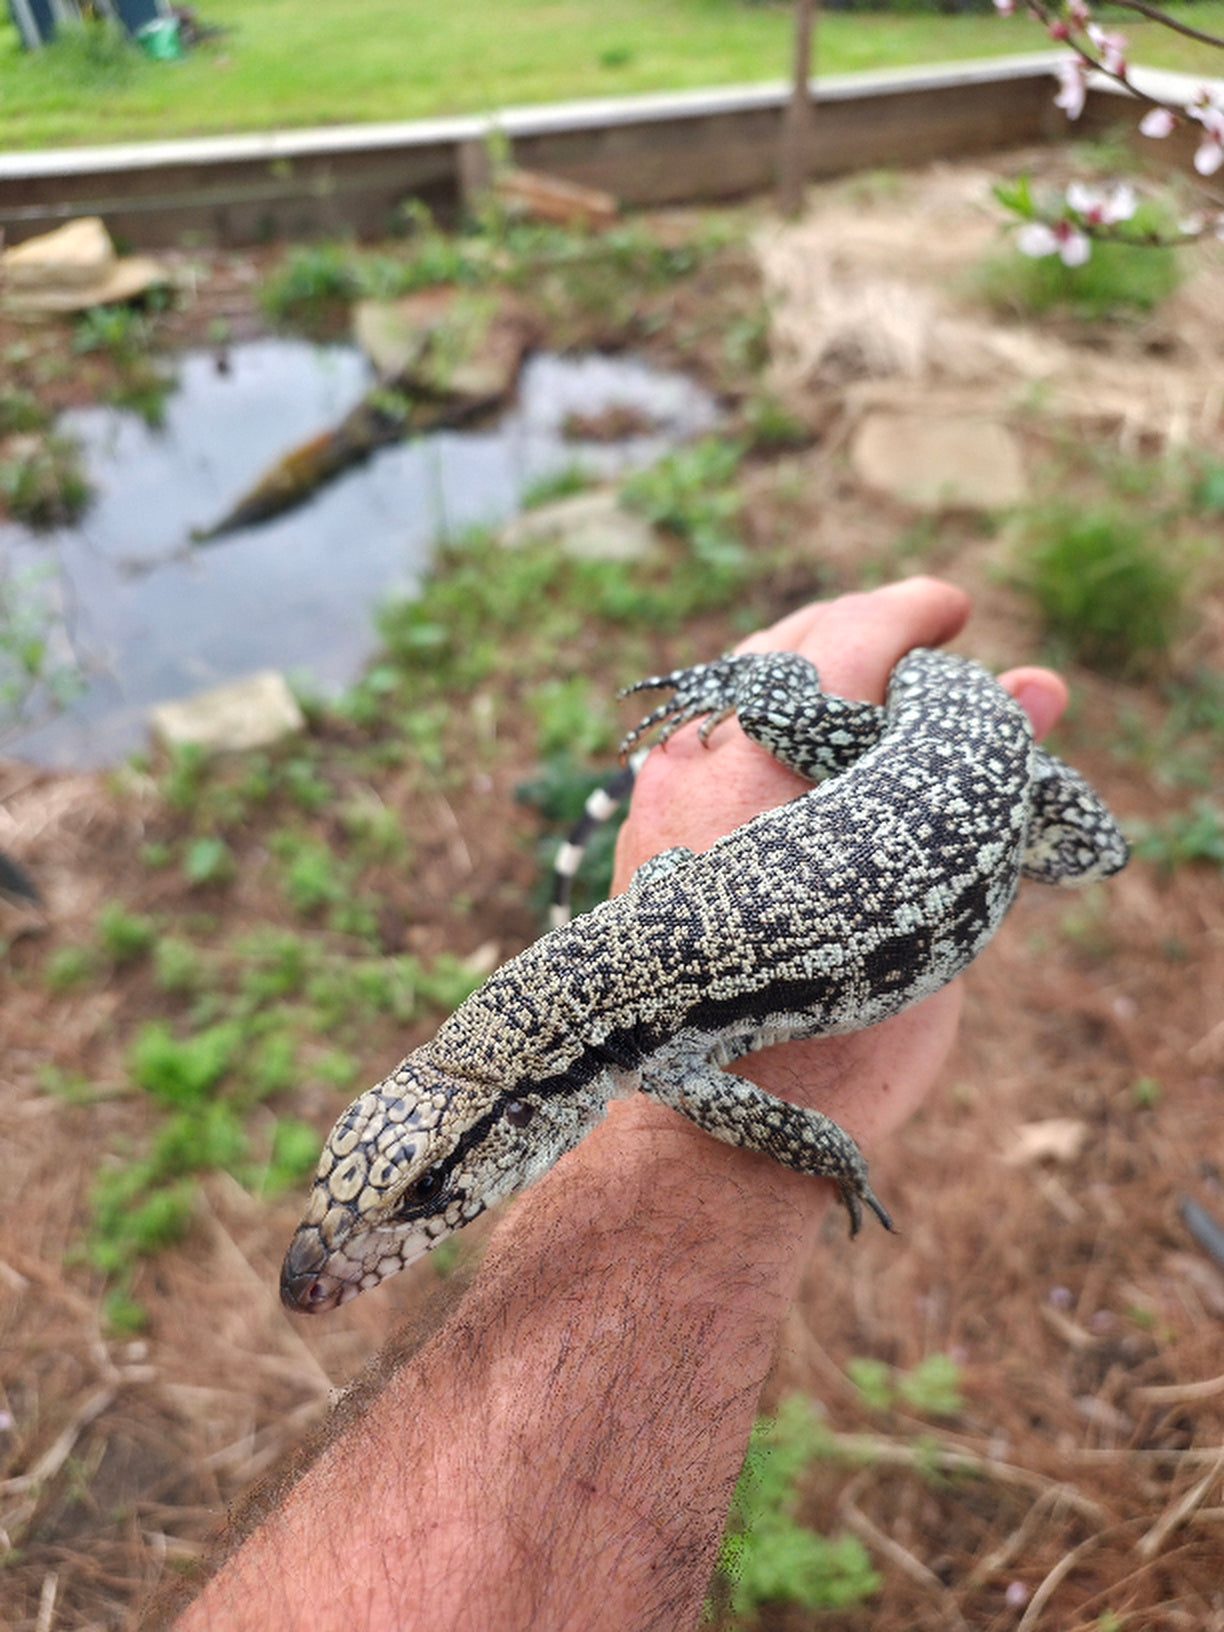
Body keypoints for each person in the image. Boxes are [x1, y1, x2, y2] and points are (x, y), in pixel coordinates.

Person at [173, 576, 1069, 1632]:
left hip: (950, 749)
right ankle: (810, 708)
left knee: (1092, 850)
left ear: (511, 1126)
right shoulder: (597, 1008)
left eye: (420, 1196)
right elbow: (675, 879)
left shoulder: (674, 1070)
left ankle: (788, 701)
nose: (336, 1262)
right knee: (1065, 835)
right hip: (941, 739)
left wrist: (841, 1163)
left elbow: (806, 1131)